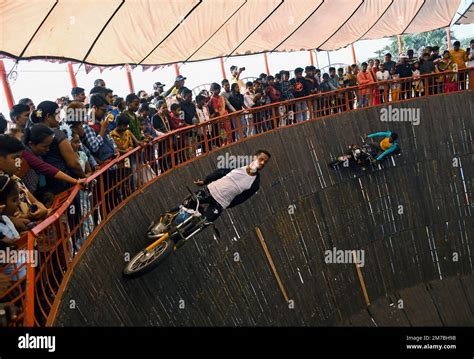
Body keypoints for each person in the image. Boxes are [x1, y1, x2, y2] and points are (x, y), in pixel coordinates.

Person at [153, 150, 271, 236]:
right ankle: (164, 223)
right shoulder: (238, 164)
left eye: (264, 162)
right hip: (210, 191)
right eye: (261, 159)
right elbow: (220, 172)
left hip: (220, 204)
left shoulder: (255, 184)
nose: (262, 163)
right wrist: (205, 181)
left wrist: (226, 203)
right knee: (187, 204)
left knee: (202, 225)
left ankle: (174, 239)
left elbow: (241, 199)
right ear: (254, 157)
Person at [29, 101, 85, 194]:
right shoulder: (57, 134)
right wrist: (84, 178)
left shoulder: (33, 133)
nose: (59, 118)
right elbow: (73, 164)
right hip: (67, 182)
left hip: (49, 184)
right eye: (57, 115)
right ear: (47, 116)